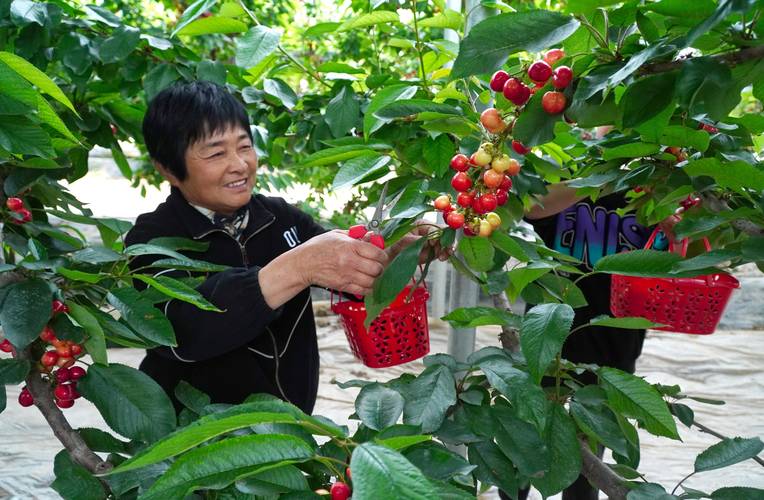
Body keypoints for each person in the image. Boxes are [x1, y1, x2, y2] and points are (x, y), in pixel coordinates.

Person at [125, 81, 442, 414]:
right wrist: (297, 267)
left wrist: (394, 255)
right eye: (216, 153)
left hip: (290, 421)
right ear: (168, 168)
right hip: (194, 433)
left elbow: (343, 270)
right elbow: (179, 333)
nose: (240, 164)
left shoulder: (279, 218)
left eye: (244, 147)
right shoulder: (151, 240)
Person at [499, 182, 671, 500]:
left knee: (586, 471)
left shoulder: (657, 185)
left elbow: (686, 256)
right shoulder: (572, 175)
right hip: (546, 344)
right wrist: (603, 170)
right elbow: (531, 204)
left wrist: (671, 208)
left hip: (614, 351)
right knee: (520, 457)